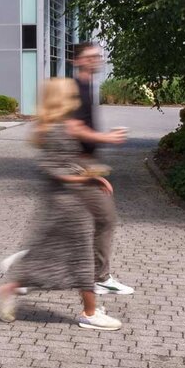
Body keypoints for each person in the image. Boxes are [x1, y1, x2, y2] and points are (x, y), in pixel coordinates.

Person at [0, 78, 120, 331]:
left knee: (51, 256)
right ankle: (90, 313)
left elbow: (66, 162)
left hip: (65, 201)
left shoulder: (55, 125)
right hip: (67, 204)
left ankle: (5, 291)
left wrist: (95, 176)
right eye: (70, 94)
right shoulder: (56, 129)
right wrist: (88, 176)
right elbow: (52, 168)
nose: (75, 98)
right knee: (81, 257)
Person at [72, 42, 132, 295]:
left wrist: (95, 173)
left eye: (99, 55)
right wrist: (107, 138)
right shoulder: (76, 90)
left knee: (66, 223)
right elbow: (73, 127)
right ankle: (99, 277)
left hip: (84, 164)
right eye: (91, 56)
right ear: (77, 61)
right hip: (77, 163)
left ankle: (21, 275)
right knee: (105, 218)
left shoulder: (88, 87)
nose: (97, 59)